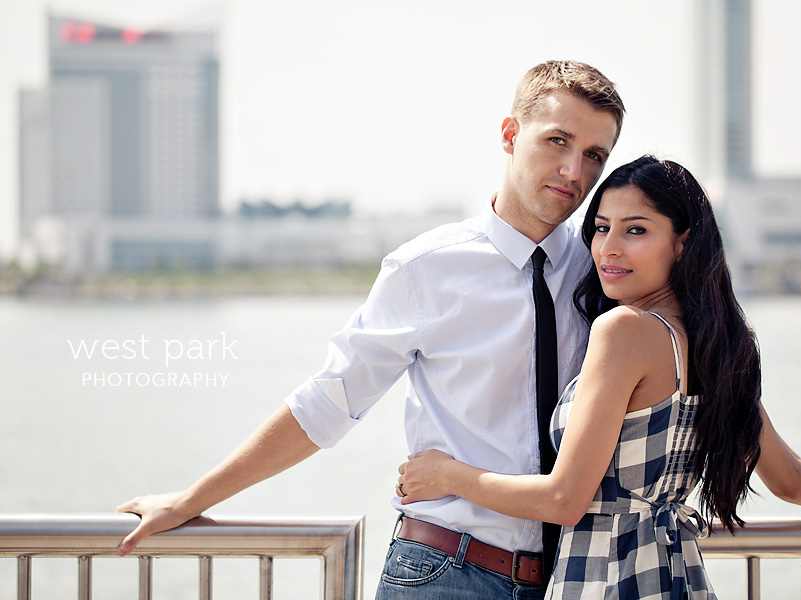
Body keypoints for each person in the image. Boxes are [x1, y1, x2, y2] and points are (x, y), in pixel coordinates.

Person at [116, 60, 626, 599]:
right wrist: (191, 500)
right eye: (557, 141)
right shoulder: (424, 269)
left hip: (580, 578)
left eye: (594, 155)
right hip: (446, 574)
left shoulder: (606, 271)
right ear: (510, 134)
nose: (574, 171)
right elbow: (327, 404)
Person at [396, 156, 801, 599]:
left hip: (606, 580)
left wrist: (446, 474)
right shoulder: (717, 346)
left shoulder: (624, 331)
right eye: (601, 227)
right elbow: (795, 481)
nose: (609, 248)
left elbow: (564, 499)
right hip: (676, 578)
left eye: (636, 230)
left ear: (683, 243)